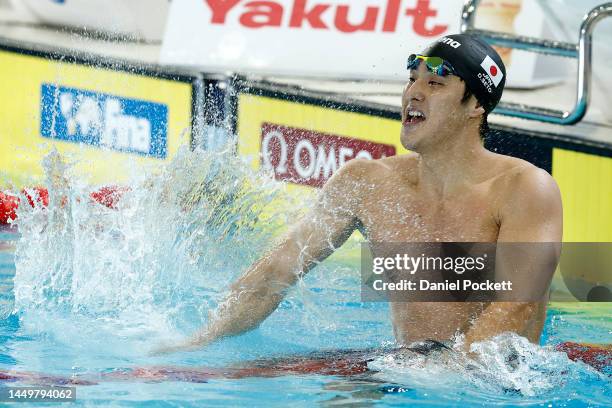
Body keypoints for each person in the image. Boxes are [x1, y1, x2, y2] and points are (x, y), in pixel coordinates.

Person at [158, 33, 563, 354]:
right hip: (408, 372)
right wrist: (200, 342)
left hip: (492, 387)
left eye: (435, 83)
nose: (413, 93)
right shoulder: (368, 183)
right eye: (411, 80)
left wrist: (446, 377)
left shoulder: (523, 188)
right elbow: (276, 271)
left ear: (476, 104)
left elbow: (517, 304)